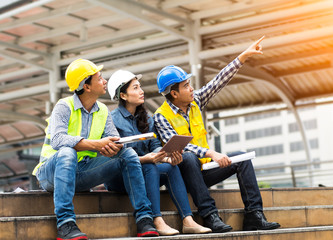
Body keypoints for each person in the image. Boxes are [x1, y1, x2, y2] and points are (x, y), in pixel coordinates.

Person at [153, 36, 281, 233]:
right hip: (183, 176)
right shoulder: (161, 116)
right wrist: (211, 153)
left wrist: (243, 56)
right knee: (188, 157)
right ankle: (209, 215)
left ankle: (255, 215)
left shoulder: (195, 101)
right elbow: (180, 147)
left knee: (242, 157)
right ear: (174, 93)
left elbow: (218, 82)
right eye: (186, 85)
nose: (192, 88)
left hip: (205, 170)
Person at [32, 59, 159, 240]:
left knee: (128, 154)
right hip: (50, 174)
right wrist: (96, 144)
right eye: (99, 78)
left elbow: (114, 140)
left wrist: (112, 147)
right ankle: (65, 223)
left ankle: (145, 218)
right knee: (67, 152)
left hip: (83, 171)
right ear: (87, 86)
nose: (105, 81)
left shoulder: (103, 110)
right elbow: (58, 140)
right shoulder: (63, 106)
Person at [107, 69, 212, 235]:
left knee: (171, 167)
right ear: (123, 95)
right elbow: (116, 157)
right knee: (150, 166)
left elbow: (155, 144)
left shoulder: (147, 118)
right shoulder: (112, 120)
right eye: (135, 88)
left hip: (146, 171)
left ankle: (188, 220)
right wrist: (146, 159)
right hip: (120, 177)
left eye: (140, 87)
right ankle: (157, 219)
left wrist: (165, 156)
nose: (141, 91)